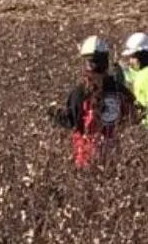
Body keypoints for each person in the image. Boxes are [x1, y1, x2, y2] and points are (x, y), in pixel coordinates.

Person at [52, 36, 134, 169]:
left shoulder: (80, 92)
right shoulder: (120, 89)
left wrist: (54, 113)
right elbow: (133, 114)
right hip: (115, 158)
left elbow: (71, 121)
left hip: (86, 157)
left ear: (86, 63)